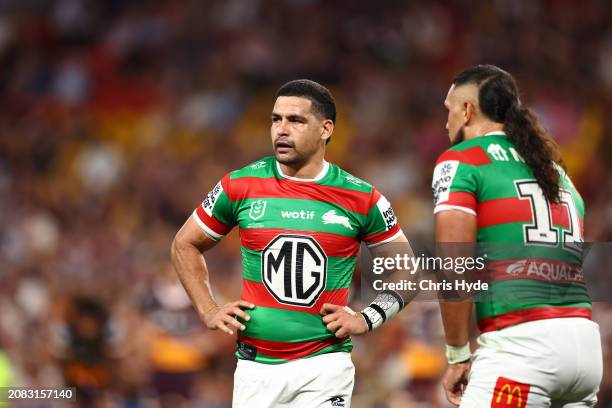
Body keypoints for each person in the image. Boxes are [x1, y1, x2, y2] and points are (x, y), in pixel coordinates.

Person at [171, 79, 412, 408]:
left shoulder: (362, 197)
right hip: (255, 369)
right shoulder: (240, 185)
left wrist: (368, 317)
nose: (281, 130)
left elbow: (408, 274)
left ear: (326, 129)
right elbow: (184, 245)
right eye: (275, 119)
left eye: (295, 120)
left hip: (324, 366)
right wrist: (208, 309)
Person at [433, 64, 603, 407]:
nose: (445, 122)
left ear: (467, 110)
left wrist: (456, 354)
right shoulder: (555, 172)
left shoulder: (462, 160)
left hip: (522, 346)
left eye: (449, 110)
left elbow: (454, 263)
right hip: (585, 348)